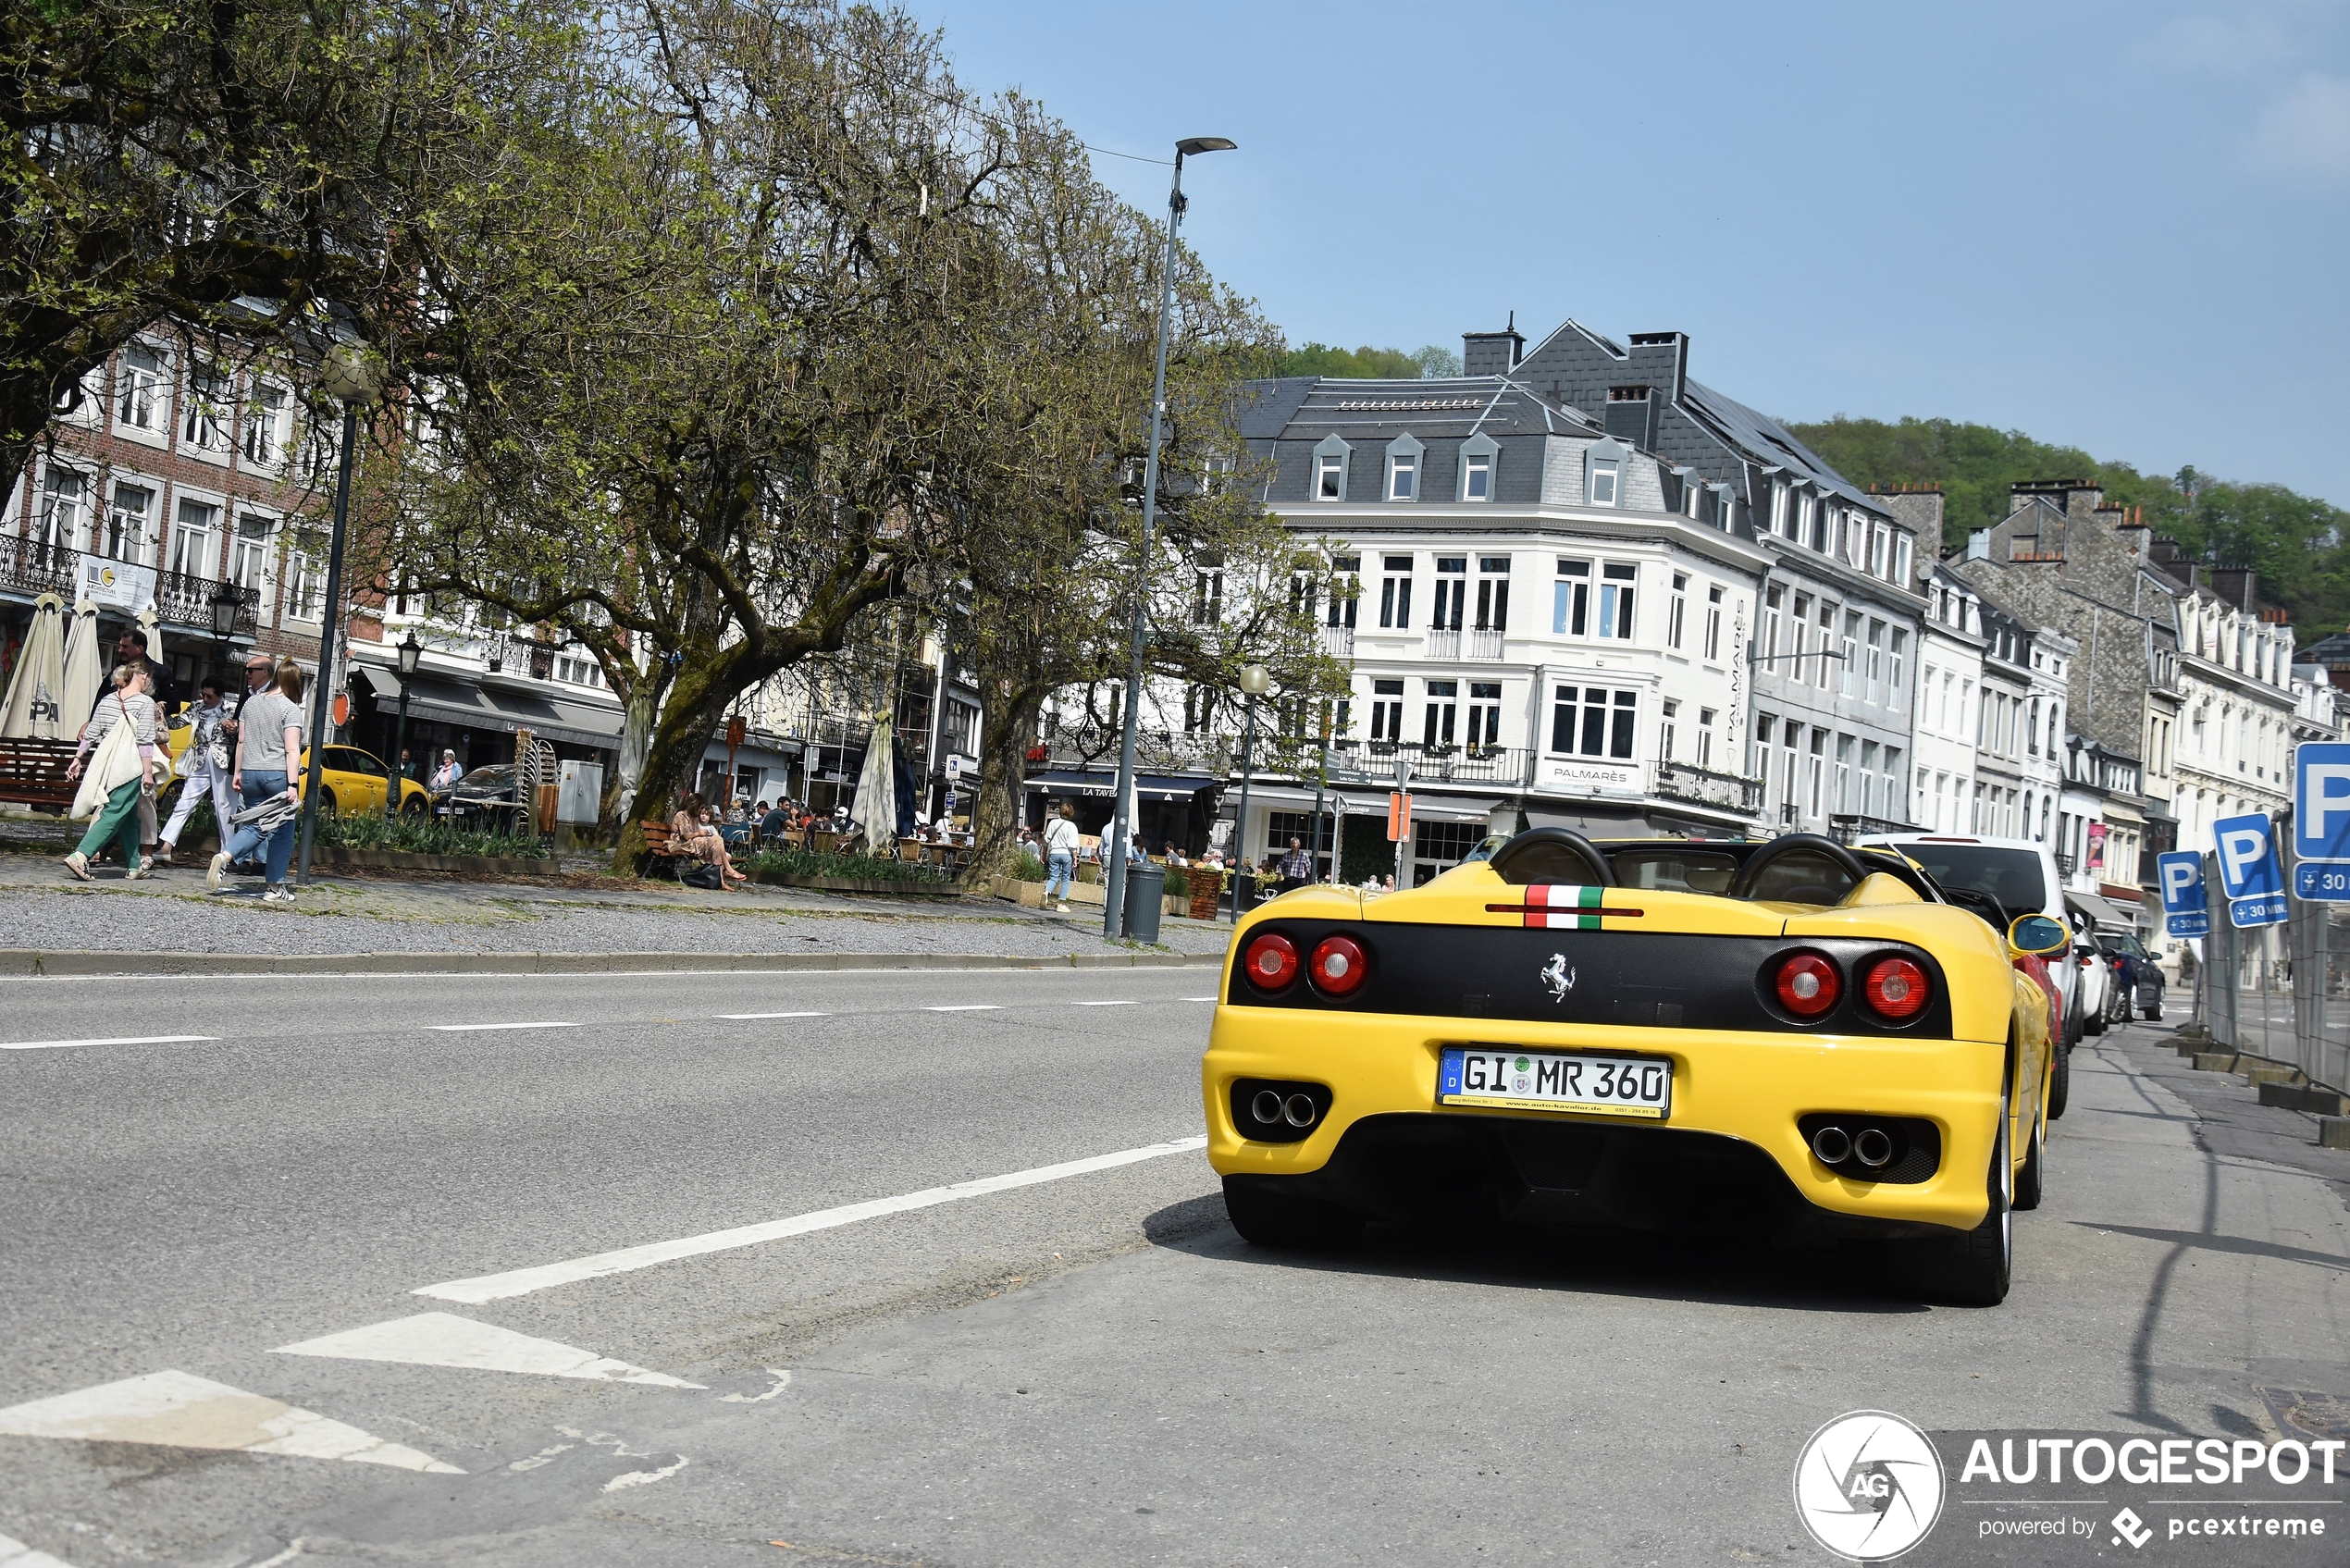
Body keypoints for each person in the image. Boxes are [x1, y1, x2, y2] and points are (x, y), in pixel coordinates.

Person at [208, 659, 307, 903]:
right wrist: (293, 785)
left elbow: (241, 740)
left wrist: (238, 772)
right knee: (282, 830)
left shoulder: (250, 703)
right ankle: (274, 887)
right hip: (277, 775)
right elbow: (292, 750)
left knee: (254, 825)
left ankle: (226, 856)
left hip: (250, 772)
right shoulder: (290, 709)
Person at [63, 663, 164, 881]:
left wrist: (77, 759)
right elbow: (145, 740)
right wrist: (148, 772)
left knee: (130, 816)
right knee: (114, 811)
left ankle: (134, 866)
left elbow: (90, 734)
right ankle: (81, 855)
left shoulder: (107, 700)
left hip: (107, 763)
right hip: (130, 764)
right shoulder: (146, 703)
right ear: (144, 677)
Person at [156, 676, 234, 867]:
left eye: (210, 696)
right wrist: (160, 713)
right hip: (200, 759)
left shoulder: (231, 709)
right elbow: (177, 724)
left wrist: (232, 727)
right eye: (203, 695)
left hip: (223, 759)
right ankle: (166, 845)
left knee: (224, 807)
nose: (206, 700)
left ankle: (228, 852)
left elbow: (240, 732)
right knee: (185, 801)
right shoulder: (197, 707)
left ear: (220, 695)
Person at [672, 791, 747, 887]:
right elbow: (686, 836)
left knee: (716, 846)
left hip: (695, 841)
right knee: (717, 840)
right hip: (683, 843)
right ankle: (729, 870)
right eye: (700, 807)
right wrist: (699, 833)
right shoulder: (681, 815)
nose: (700, 810)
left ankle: (721, 882)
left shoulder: (694, 817)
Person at [1041, 802, 1080, 913]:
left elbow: (1046, 840)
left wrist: (1043, 855)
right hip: (1066, 854)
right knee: (1065, 879)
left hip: (1054, 853)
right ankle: (1061, 904)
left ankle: (1046, 892)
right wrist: (1075, 859)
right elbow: (1073, 845)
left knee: (1053, 877)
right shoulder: (1072, 826)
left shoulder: (1053, 823)